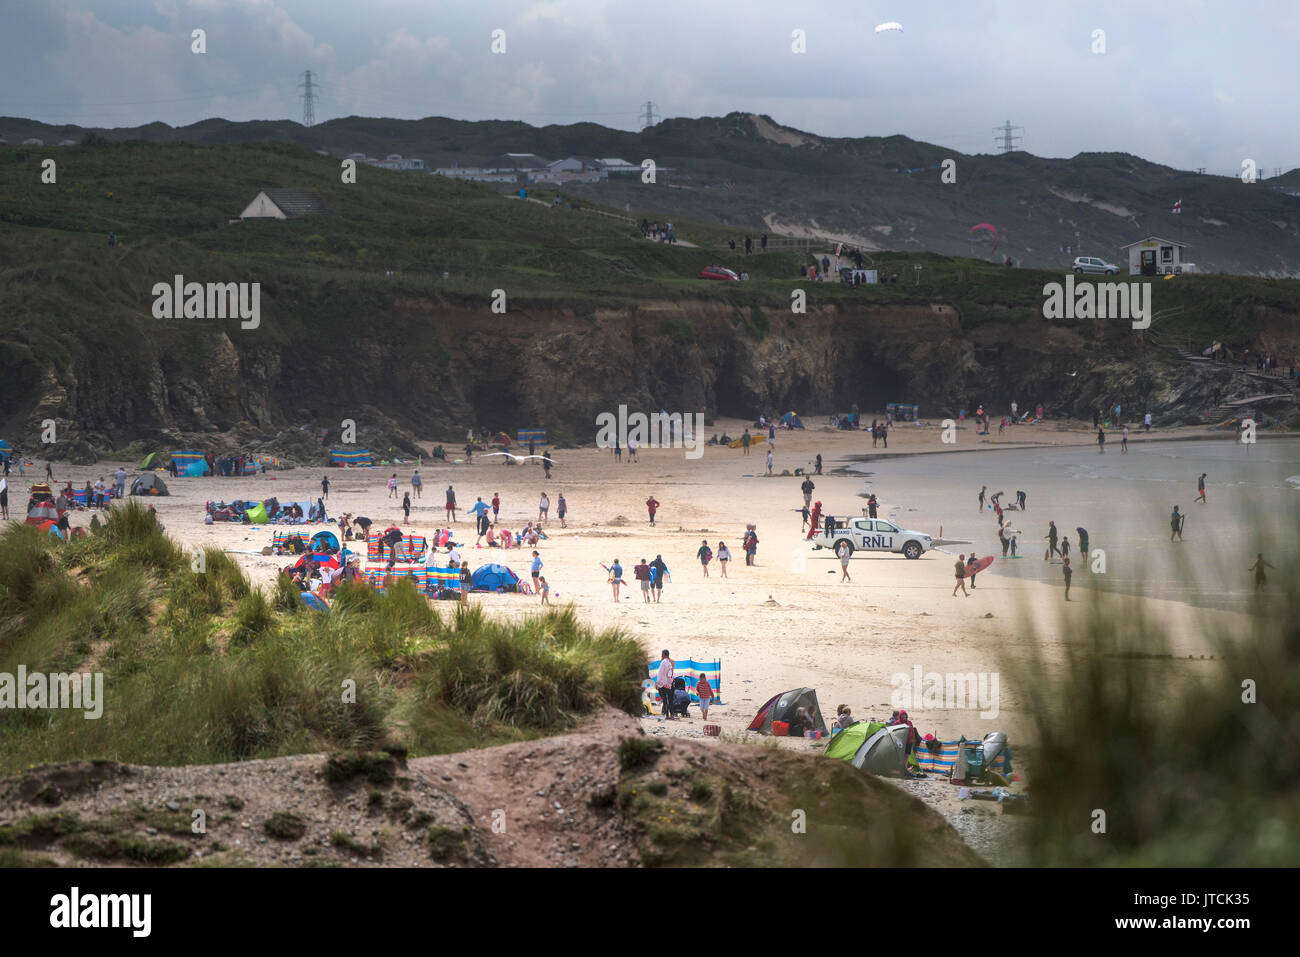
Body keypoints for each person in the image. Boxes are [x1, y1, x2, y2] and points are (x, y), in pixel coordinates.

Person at [655, 650, 675, 719]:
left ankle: (667, 715)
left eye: (662, 654)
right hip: (669, 683)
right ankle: (672, 715)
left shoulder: (663, 662)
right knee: (670, 700)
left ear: (663, 654)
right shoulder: (671, 662)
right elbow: (670, 673)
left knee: (665, 700)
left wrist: (657, 683)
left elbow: (660, 673)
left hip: (663, 683)